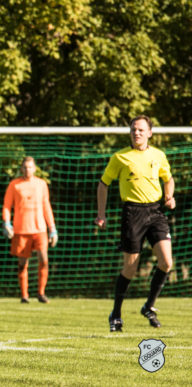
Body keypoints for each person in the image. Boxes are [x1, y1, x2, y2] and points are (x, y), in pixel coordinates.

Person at [96, 115, 175, 332]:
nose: (136, 133)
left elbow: (168, 178)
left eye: (141, 130)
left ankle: (149, 306)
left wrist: (169, 196)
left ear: (150, 132)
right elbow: (103, 184)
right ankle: (116, 314)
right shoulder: (120, 157)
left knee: (166, 262)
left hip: (156, 212)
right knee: (130, 269)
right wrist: (101, 214)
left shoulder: (159, 155)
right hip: (133, 213)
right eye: (133, 130)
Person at [2, 156, 58, 304]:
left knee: (44, 259)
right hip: (21, 230)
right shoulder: (14, 185)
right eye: (25, 167)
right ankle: (24, 295)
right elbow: (7, 206)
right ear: (21, 169)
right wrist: (7, 223)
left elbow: (46, 206)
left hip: (40, 229)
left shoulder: (41, 184)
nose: (28, 170)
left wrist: (52, 228)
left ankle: (41, 293)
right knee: (22, 264)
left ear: (34, 168)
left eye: (30, 167)